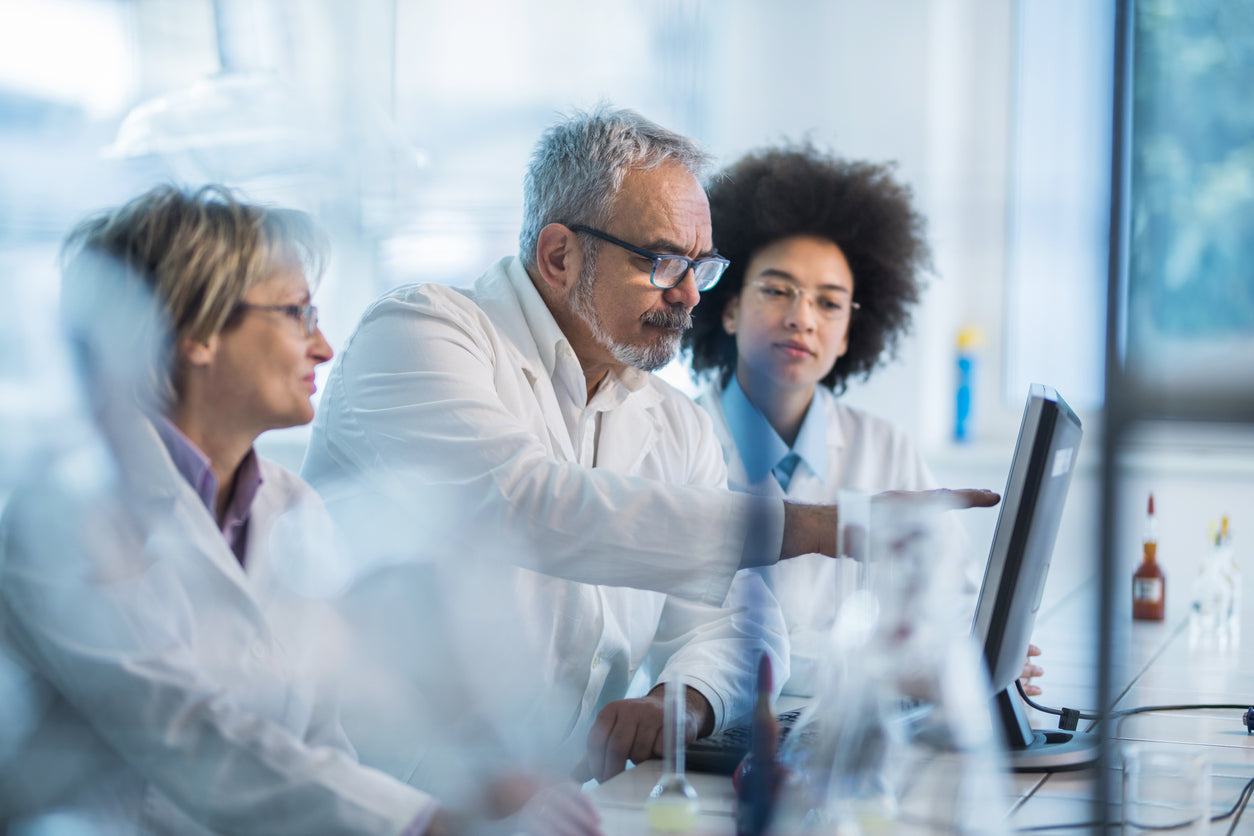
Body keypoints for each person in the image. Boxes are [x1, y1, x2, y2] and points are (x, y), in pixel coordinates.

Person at [301, 106, 999, 784]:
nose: (691, 296)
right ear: (559, 256)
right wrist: (815, 526)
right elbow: (523, 505)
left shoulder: (671, 421)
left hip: (558, 803)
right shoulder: (421, 332)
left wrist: (682, 700)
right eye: (664, 261)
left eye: (702, 266)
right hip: (380, 803)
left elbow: (738, 623)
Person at [0, 185, 599, 835]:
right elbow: (186, 733)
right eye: (296, 314)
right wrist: (428, 822)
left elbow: (325, 739)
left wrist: (481, 788)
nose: (322, 347)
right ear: (195, 330)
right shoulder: (67, 512)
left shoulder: (293, 509)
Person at [683, 144, 1043, 696]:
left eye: (829, 303)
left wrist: (981, 654)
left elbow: (955, 601)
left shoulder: (885, 447)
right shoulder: (678, 439)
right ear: (728, 307)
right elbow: (715, 644)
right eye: (778, 290)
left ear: (850, 332)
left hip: (856, 734)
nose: (802, 318)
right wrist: (899, 668)